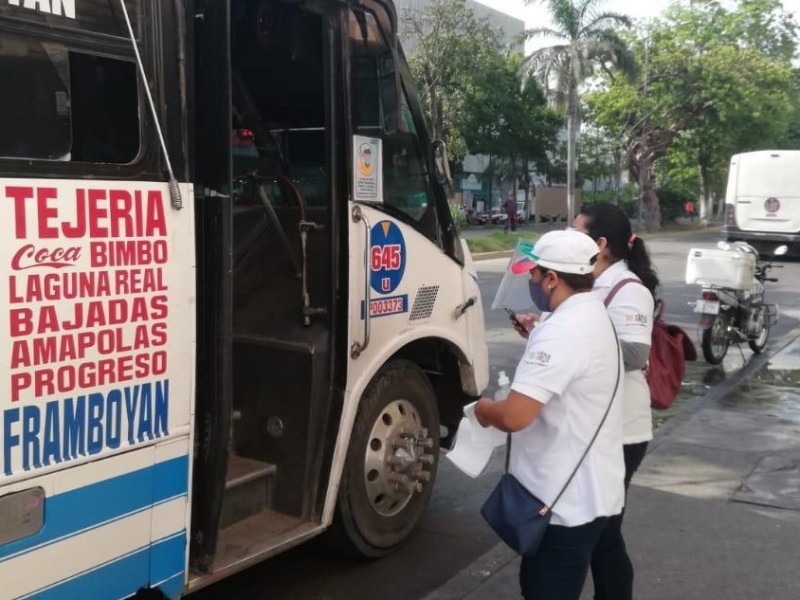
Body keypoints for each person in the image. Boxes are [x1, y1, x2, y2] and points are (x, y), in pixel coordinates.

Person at [475, 229, 625, 600]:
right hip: (589, 490)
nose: (530, 280)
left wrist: (483, 409)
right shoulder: (593, 314)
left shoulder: (563, 331)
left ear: (553, 279)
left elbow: (514, 416)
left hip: (562, 505)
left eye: (534, 274)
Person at [573, 202, 659, 600]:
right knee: (600, 527)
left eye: (579, 234)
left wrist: (575, 344)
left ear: (601, 244)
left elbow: (635, 355)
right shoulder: (593, 282)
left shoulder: (630, 290)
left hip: (623, 431)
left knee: (603, 529)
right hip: (597, 426)